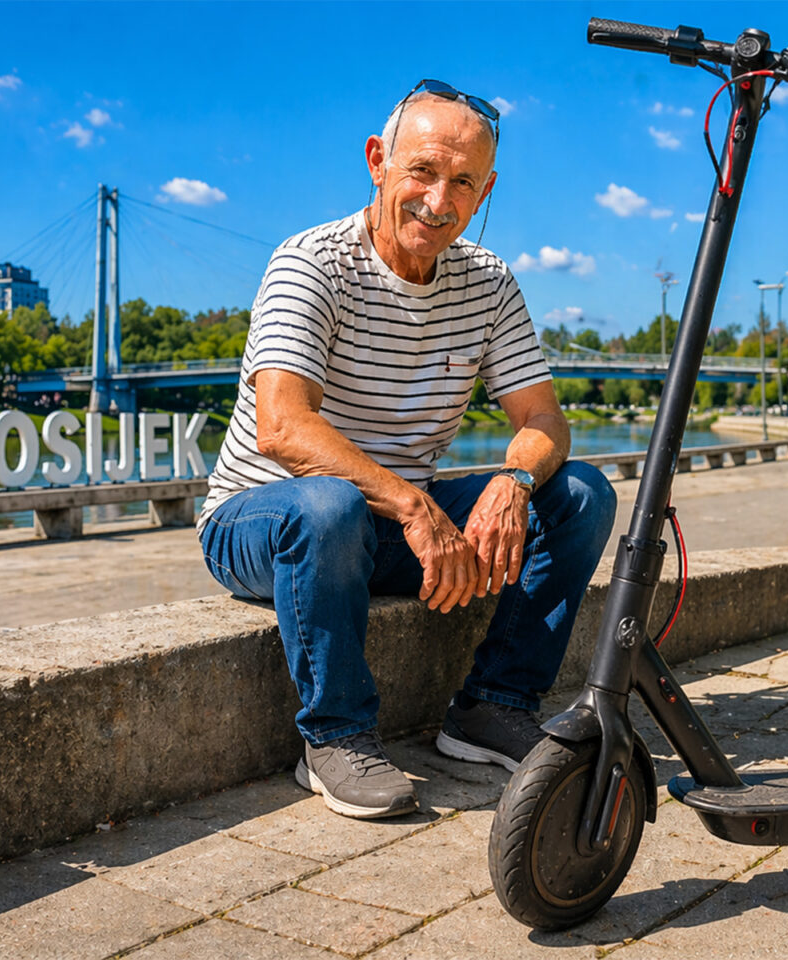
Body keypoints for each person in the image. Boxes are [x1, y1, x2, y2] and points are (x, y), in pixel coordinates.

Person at [197, 81, 617, 820]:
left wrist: (514, 480)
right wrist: (415, 506)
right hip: (264, 521)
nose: (437, 199)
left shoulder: (487, 284)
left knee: (579, 495)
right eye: (421, 171)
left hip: (384, 526)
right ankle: (335, 738)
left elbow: (544, 418)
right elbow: (283, 429)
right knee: (329, 507)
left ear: (486, 189)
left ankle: (491, 707)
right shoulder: (310, 263)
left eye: (462, 183)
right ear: (377, 162)